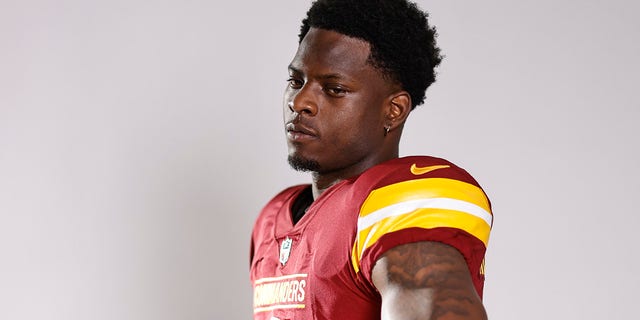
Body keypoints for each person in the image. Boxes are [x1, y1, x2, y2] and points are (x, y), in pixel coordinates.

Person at [249, 0, 493, 319]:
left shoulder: (402, 199)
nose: (299, 102)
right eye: (296, 82)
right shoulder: (272, 220)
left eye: (334, 89)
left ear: (393, 110)